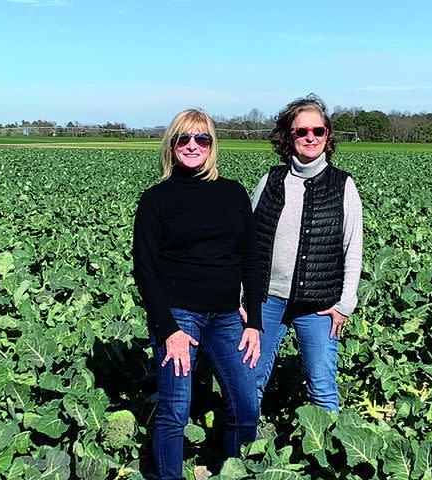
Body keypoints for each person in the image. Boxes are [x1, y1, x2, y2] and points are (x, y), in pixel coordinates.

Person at [133, 109, 262, 479]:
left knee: (246, 406)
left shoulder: (233, 193)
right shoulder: (156, 199)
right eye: (183, 139)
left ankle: (234, 469)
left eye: (201, 138)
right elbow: (145, 270)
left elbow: (250, 260)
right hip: (178, 317)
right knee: (175, 410)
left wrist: (253, 319)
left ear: (212, 145)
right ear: (171, 146)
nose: (193, 146)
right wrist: (169, 329)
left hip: (226, 317)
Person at [252, 95, 363, 413]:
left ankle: (325, 461)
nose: (310, 137)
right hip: (266, 300)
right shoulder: (270, 181)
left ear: (327, 135)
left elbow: (352, 248)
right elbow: (247, 243)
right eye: (301, 131)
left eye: (318, 130)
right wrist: (244, 295)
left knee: (322, 387)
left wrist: (345, 304)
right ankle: (241, 454)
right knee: (251, 381)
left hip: (318, 304)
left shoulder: (343, 186)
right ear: (289, 137)